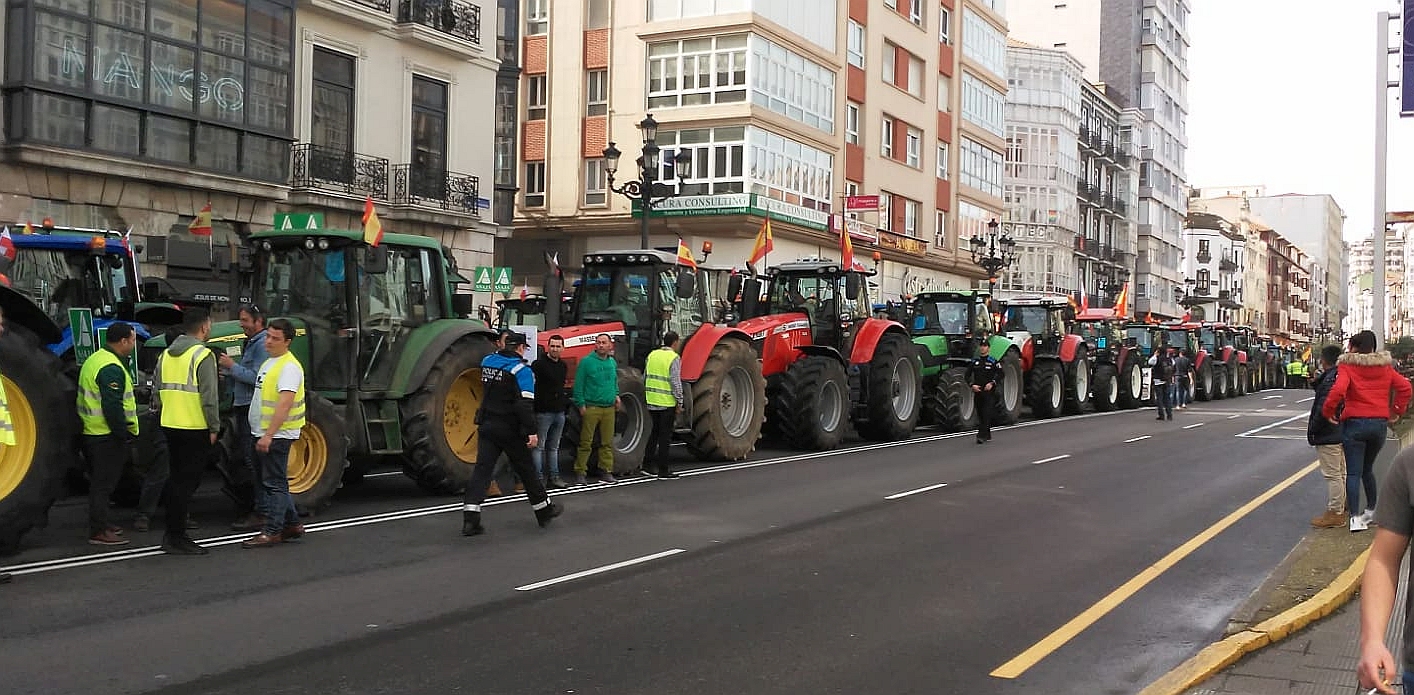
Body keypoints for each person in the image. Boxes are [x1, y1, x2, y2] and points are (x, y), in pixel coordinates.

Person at [460, 331, 563, 536]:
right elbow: (524, 405)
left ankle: (470, 518)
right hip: (509, 428)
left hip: (487, 424)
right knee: (526, 470)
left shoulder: (488, 361)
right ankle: (544, 510)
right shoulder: (521, 370)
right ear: (520, 348)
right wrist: (532, 431)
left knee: (482, 470)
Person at [1322, 330, 1414, 532]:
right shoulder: (1385, 367)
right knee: (1367, 469)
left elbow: (1338, 390)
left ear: (1355, 345)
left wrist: (1328, 411)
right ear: (1373, 346)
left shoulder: (1348, 366)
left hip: (1354, 424)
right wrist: (1396, 411)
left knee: (1353, 472)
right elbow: (1405, 388)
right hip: (1378, 425)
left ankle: (1355, 518)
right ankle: (1372, 510)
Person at [151, 308, 219, 556]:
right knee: (186, 483)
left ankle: (173, 532)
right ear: (204, 327)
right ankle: (176, 536)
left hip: (170, 424)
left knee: (175, 479)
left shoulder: (166, 355)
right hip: (194, 426)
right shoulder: (203, 355)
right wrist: (214, 427)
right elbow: (209, 398)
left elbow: (156, 391)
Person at [242, 319, 307, 548]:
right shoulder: (271, 362)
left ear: (287, 342)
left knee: (274, 484)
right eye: (268, 336)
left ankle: (273, 530)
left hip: (277, 435)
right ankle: (292, 524)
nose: (268, 341)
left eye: (275, 338)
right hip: (262, 432)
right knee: (272, 481)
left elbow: (284, 404)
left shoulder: (289, 367)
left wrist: (268, 435)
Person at [77, 322, 139, 546]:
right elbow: (112, 407)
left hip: (93, 432)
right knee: (103, 485)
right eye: (132, 340)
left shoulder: (96, 358)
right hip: (105, 435)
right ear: (123, 341)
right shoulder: (111, 367)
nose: (133, 345)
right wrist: (123, 433)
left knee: (101, 483)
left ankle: (103, 522)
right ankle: (99, 530)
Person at [218, 304, 269, 532]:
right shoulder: (250, 343)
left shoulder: (262, 345)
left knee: (253, 460)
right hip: (241, 404)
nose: (242, 325)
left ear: (258, 321)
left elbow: (259, 377)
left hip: (251, 406)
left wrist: (232, 367)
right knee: (246, 458)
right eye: (241, 320)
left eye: (245, 320)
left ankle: (263, 510)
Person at [571, 333, 620, 485]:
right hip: (591, 407)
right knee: (586, 442)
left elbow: (614, 381)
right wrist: (581, 404)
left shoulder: (612, 362)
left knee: (606, 442)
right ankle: (580, 472)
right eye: (598, 342)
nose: (600, 345)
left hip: (609, 408)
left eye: (603, 342)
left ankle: (606, 470)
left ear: (610, 345)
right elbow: (578, 385)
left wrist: (616, 395)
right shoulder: (586, 362)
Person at [1307, 344, 1347, 529]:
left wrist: (1313, 430)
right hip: (1341, 431)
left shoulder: (1330, 379)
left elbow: (1323, 408)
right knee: (1341, 472)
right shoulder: (1339, 376)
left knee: (1333, 475)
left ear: (1323, 360)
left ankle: (1335, 512)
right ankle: (1342, 506)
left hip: (1329, 434)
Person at [532, 334, 570, 489]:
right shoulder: (538, 365)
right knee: (538, 447)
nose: (555, 349)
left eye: (558, 346)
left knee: (554, 447)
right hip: (543, 413)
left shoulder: (563, 366)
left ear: (563, 348)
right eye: (552, 346)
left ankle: (554, 477)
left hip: (559, 412)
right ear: (548, 347)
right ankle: (538, 479)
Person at [645, 331, 683, 477]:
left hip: (652, 400)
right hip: (666, 403)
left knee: (654, 433)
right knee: (665, 437)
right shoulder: (673, 357)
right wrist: (679, 401)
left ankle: (647, 465)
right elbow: (675, 382)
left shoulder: (652, 355)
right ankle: (663, 470)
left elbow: (645, 377)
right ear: (675, 342)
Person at [970, 340, 1000, 444]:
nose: (983, 348)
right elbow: (967, 375)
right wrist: (971, 385)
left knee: (986, 413)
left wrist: (992, 383)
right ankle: (987, 434)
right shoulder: (975, 361)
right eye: (981, 346)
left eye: (985, 346)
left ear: (988, 348)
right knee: (980, 414)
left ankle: (981, 436)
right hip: (978, 392)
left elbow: (1001, 374)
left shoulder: (993, 361)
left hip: (989, 393)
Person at [1149, 346, 1175, 421]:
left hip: (1158, 381)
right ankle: (1169, 415)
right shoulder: (1169, 359)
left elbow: (1150, 362)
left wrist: (1155, 355)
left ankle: (1161, 415)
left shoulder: (1156, 358)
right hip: (1167, 380)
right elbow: (1173, 364)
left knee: (1159, 399)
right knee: (1167, 398)